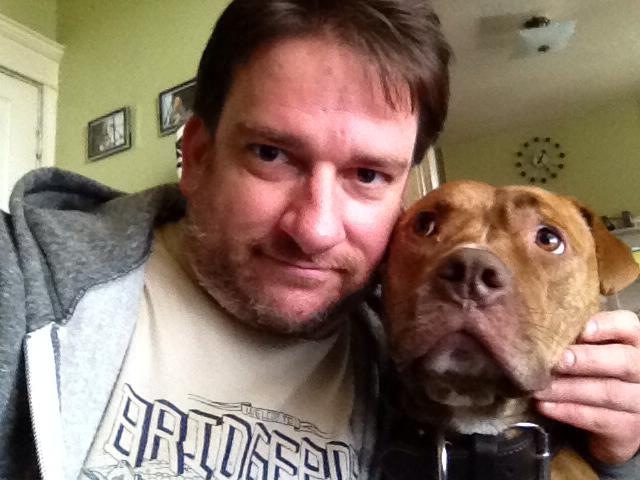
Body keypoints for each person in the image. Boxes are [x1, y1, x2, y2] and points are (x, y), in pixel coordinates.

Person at [0, 1, 638, 479]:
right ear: (196, 156)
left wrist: (621, 453)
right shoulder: (27, 290)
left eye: (368, 175)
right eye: (271, 154)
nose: (315, 228)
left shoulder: (396, 356)